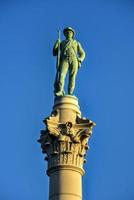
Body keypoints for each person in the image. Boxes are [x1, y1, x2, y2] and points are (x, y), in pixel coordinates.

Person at [53, 27, 85, 96]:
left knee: (72, 76)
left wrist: (80, 59)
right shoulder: (62, 43)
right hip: (64, 59)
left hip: (74, 59)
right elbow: (54, 53)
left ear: (72, 34)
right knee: (61, 75)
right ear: (65, 34)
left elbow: (83, 53)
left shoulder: (76, 43)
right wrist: (56, 43)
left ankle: (70, 92)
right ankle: (60, 90)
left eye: (70, 32)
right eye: (67, 32)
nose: (69, 33)